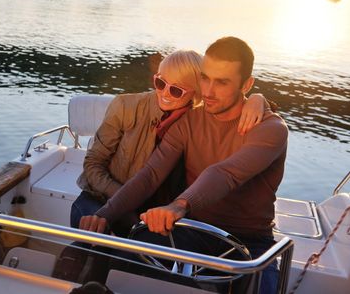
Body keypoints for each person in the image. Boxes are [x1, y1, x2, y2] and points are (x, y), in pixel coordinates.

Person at [80, 37, 288, 294]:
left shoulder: (271, 129)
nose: (209, 91)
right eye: (205, 78)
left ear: (246, 85)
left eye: (222, 82)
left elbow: (225, 173)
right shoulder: (188, 121)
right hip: (191, 230)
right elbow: (150, 174)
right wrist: (104, 215)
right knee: (120, 264)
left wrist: (179, 205)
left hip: (250, 242)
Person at [71, 49, 269, 236]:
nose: (164, 93)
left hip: (153, 210)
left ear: (197, 92)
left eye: (176, 90)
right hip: (100, 199)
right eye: (160, 83)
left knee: (150, 252)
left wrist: (258, 99)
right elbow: (93, 164)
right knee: (97, 236)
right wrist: (124, 197)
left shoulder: (196, 121)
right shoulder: (126, 106)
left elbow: (232, 106)